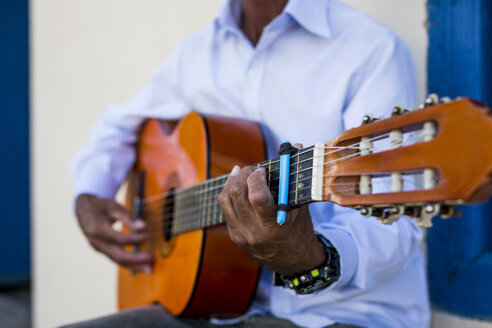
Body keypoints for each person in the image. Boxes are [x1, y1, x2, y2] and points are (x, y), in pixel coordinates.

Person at [69, 0, 430, 327]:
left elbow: (395, 226)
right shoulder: (198, 52)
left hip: (336, 316)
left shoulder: (370, 49)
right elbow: (119, 126)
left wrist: (309, 258)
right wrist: (89, 195)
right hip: (210, 305)